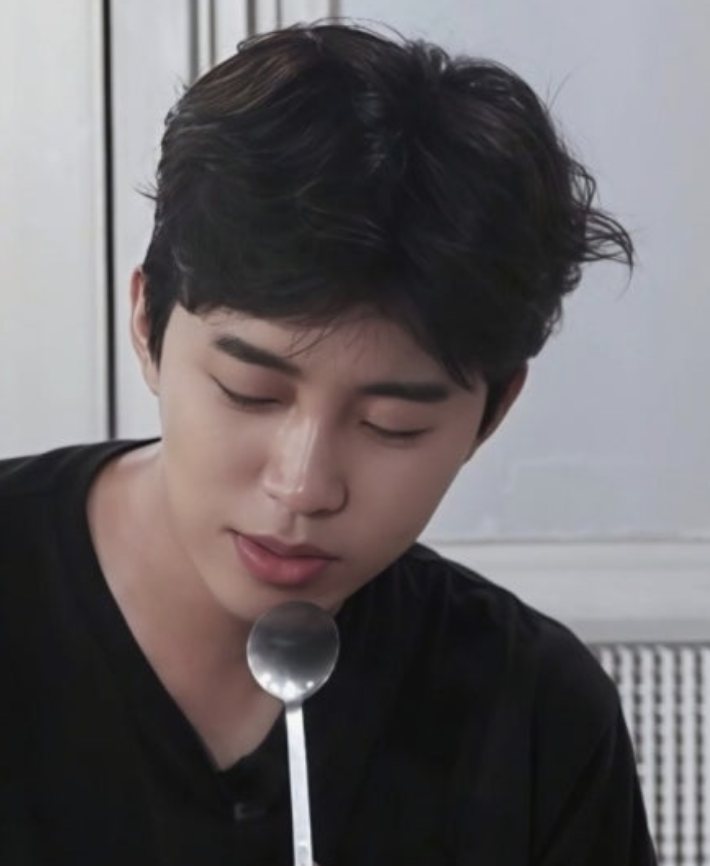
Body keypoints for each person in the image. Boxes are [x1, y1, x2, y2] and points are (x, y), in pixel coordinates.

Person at [0, 20, 656, 866]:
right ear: (147, 325)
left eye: (391, 427)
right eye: (249, 392)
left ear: (492, 412)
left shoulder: (534, 714)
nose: (304, 486)